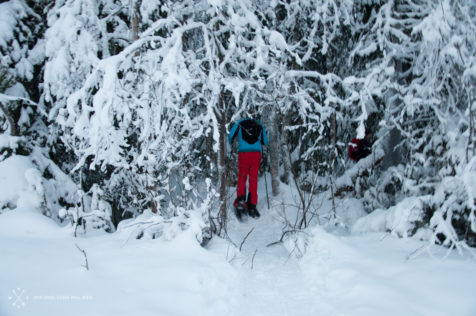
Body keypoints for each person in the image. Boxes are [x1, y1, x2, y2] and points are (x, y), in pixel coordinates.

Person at [228, 117, 268, 219]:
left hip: (243, 154)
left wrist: (231, 142)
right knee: (253, 179)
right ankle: (252, 204)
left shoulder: (240, 123)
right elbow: (265, 141)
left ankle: (241, 201)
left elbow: (230, 136)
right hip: (256, 155)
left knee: (242, 177)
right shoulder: (259, 124)